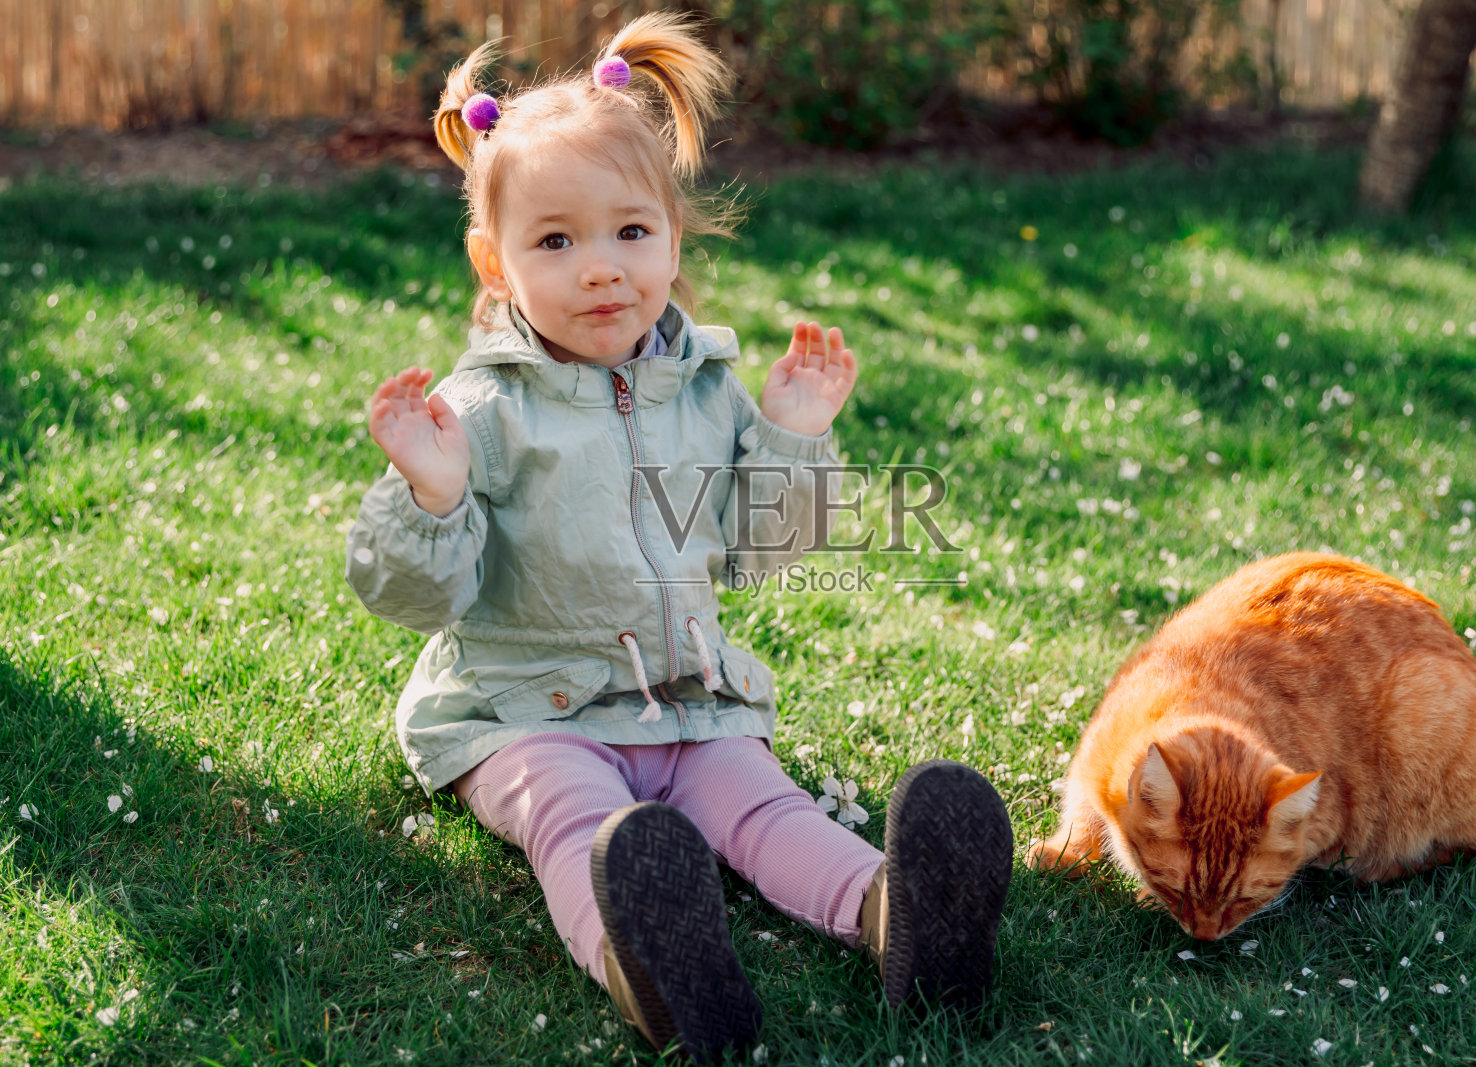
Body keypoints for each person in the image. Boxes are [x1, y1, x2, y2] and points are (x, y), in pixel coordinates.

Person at [344, 13, 1012, 1061]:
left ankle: (900, 914)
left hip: (689, 700)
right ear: (495, 259)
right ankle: (644, 961)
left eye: (630, 233)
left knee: (766, 808)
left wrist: (791, 435)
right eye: (556, 241)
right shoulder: (480, 411)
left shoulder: (708, 388)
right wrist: (431, 496)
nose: (601, 268)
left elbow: (763, 550)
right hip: (526, 711)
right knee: (575, 822)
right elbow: (415, 595)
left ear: (671, 233)